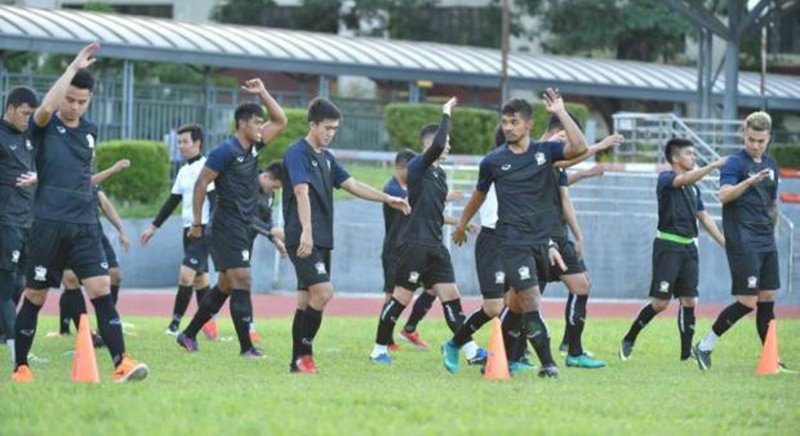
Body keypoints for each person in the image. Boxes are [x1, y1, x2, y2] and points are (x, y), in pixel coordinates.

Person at [12, 42, 148, 383]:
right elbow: (44, 107)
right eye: (69, 100)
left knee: (101, 287)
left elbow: (78, 175)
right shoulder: (43, 124)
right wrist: (72, 67)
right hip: (47, 225)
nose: (74, 107)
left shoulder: (90, 131)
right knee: (36, 295)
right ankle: (21, 367)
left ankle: (121, 362)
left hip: (84, 224)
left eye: (81, 102)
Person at [450, 90, 588, 377]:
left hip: (542, 242)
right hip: (512, 243)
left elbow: (580, 147)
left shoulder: (544, 152)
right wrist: (461, 224)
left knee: (513, 305)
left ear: (528, 124)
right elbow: (477, 197)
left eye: (514, 122)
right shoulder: (492, 161)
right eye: (505, 122)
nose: (508, 127)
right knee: (531, 301)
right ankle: (548, 364)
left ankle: (456, 342)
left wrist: (561, 112)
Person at [284, 97, 409, 374]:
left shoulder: (327, 158)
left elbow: (352, 184)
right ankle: (305, 355)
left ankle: (297, 361)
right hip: (304, 237)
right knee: (324, 292)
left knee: (306, 301)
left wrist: (388, 198)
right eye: (327, 128)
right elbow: (300, 191)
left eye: (335, 129)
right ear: (313, 124)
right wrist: (306, 231)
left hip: (321, 238)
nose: (330, 133)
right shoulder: (296, 153)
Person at [175, 78, 287, 358]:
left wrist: (262, 92)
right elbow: (202, 184)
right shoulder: (224, 151)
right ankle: (247, 347)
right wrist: (198, 223)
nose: (262, 128)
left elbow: (281, 120)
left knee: (226, 285)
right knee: (243, 280)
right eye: (256, 123)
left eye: (262, 124)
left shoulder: (254, 147)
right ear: (242, 124)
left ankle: (188, 334)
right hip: (225, 226)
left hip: (242, 225)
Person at [371, 99, 485, 366]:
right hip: (414, 246)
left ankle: (469, 351)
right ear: (430, 144)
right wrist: (446, 114)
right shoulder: (417, 167)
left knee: (451, 296)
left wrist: (460, 223)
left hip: (435, 246)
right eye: (445, 141)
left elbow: (432, 212)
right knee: (401, 299)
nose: (448, 145)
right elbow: (436, 147)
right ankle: (379, 348)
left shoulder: (440, 175)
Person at [618, 138, 725, 362]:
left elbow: (704, 217)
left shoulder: (694, 189)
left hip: (689, 247)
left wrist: (724, 242)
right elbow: (683, 179)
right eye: (689, 153)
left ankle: (686, 356)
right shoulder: (666, 178)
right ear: (675, 158)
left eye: (695, 154)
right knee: (660, 304)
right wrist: (713, 166)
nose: (694, 157)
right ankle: (629, 337)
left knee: (689, 300)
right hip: (668, 246)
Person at [694, 111, 785, 371]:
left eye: (761, 141)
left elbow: (772, 202)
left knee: (767, 297)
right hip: (743, 240)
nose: (755, 145)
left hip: (766, 240)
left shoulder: (772, 164)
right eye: (751, 139)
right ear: (743, 135)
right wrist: (749, 181)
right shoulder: (735, 163)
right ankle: (704, 346)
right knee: (747, 301)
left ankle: (772, 359)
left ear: (768, 139)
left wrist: (773, 227)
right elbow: (723, 196)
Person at [140, 123, 217, 338]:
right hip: (187, 231)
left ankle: (174, 325)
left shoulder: (207, 168)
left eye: (185, 142)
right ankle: (209, 326)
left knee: (186, 276)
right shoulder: (183, 171)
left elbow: (214, 201)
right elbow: (172, 201)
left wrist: (204, 226)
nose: (180, 146)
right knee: (201, 280)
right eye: (179, 142)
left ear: (197, 143)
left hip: (202, 231)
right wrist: (153, 227)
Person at [0, 86, 39, 361]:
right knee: (5, 286)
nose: (28, 118)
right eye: (25, 113)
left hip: (27, 221)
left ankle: (6, 337)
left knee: (21, 284)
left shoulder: (28, 137)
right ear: (11, 108)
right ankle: (18, 353)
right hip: (6, 221)